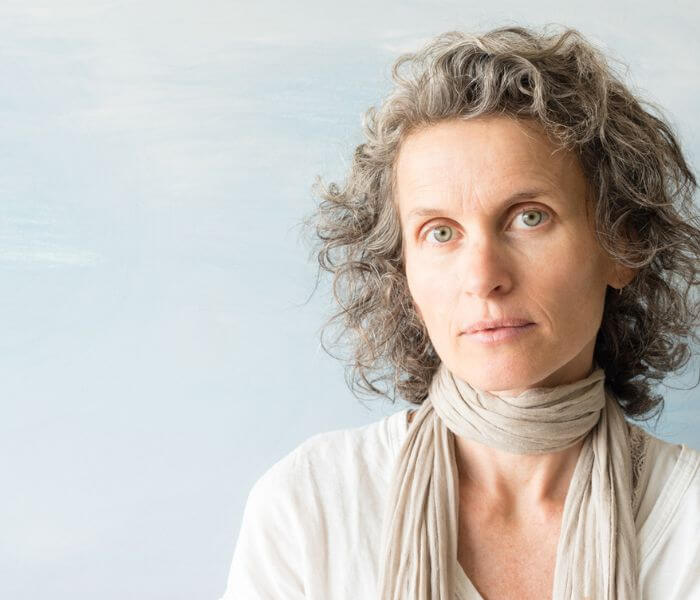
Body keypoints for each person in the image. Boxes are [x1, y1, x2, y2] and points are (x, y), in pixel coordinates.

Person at [219, 25, 700, 600]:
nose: (482, 278)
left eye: (529, 217)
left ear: (621, 247)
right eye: (440, 232)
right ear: (405, 277)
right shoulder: (311, 506)